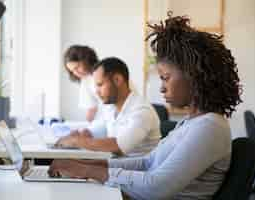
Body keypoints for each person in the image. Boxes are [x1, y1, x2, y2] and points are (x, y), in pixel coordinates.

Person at [48, 14, 242, 200]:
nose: (162, 87)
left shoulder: (210, 127)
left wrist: (87, 170)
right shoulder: (191, 122)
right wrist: (88, 165)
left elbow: (157, 187)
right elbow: (148, 162)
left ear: (194, 77)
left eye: (166, 78)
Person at [56, 57, 161, 156]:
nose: (97, 92)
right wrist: (86, 133)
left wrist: (77, 142)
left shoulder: (142, 110)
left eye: (100, 85)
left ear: (117, 80)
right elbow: (100, 129)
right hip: (117, 167)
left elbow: (118, 146)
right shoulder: (110, 107)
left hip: (135, 171)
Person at [64, 45, 100, 122]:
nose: (76, 73)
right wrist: (87, 127)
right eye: (72, 71)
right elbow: (91, 108)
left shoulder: (105, 72)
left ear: (86, 60)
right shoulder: (86, 79)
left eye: (77, 67)